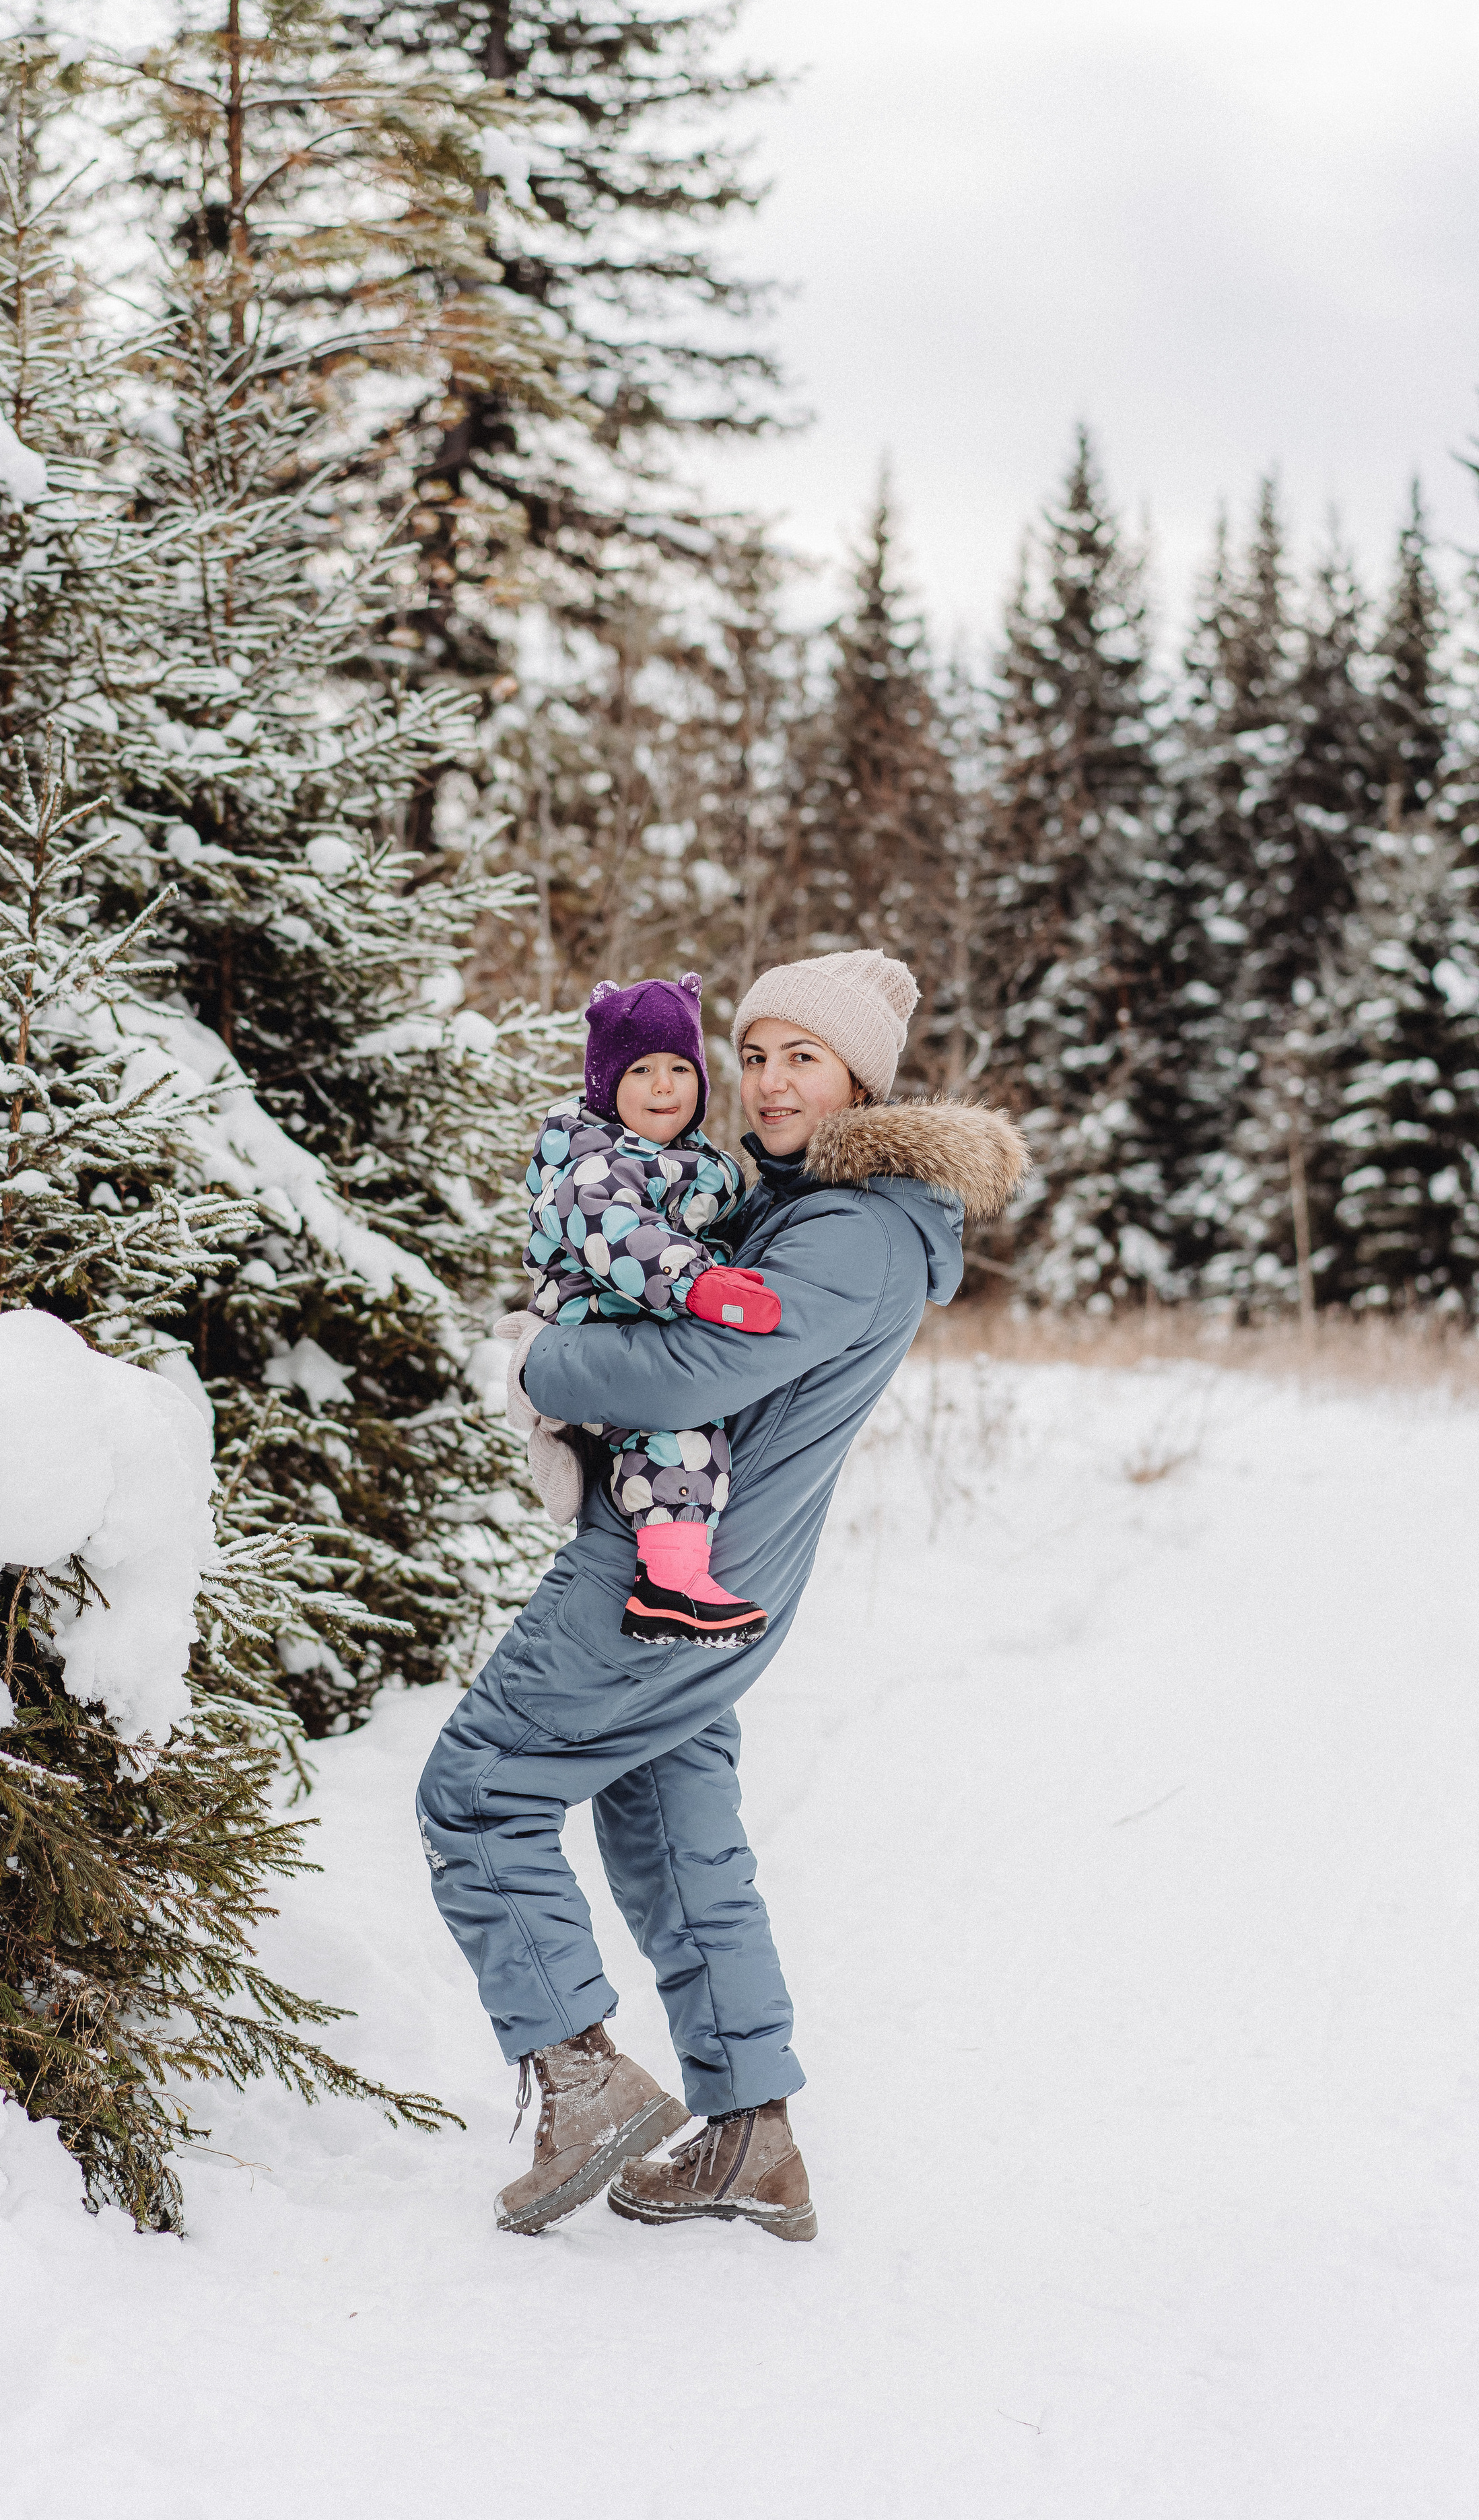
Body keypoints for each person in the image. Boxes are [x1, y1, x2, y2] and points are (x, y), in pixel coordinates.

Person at [416, 948, 1030, 2239]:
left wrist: (546, 1366)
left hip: (667, 1565)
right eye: (752, 1054)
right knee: (669, 1826)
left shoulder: (852, 1228)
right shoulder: (814, 1206)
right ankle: (752, 2132)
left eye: (802, 1056)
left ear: (862, 1075)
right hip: (724, 1577)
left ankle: (582, 2085)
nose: (766, 1081)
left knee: (478, 1795)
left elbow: (695, 1373)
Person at [520, 968, 785, 1652]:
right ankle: (668, 1586)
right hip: (596, 1329)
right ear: (607, 1086)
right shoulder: (591, 1165)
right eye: (640, 1070)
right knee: (675, 1429)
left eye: (678, 1067)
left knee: (688, 1426)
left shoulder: (700, 1165)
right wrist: (699, 1285)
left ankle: (671, 1573)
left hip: (646, 1325)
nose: (664, 1086)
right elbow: (615, 1233)